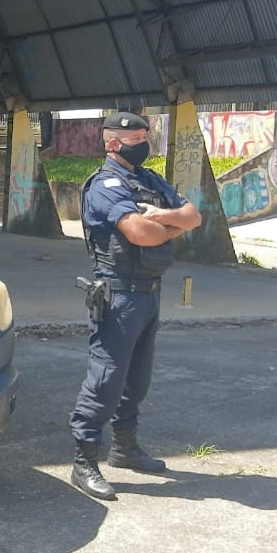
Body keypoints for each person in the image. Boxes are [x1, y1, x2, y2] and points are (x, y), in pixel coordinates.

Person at [69, 112, 201, 501]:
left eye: (145, 136)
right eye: (135, 138)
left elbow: (194, 216)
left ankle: (125, 449)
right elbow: (140, 233)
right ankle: (83, 460)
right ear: (112, 143)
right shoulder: (104, 185)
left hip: (148, 292)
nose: (143, 144)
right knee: (106, 379)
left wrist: (161, 217)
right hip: (118, 295)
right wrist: (171, 228)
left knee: (137, 380)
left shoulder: (149, 180)